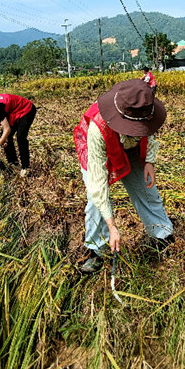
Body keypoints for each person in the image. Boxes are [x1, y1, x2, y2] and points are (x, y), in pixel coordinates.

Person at [74, 79, 174, 273]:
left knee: (146, 187)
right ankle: (96, 251)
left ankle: (162, 236)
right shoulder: (98, 127)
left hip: (129, 146)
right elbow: (98, 183)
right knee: (96, 202)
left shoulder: (144, 108)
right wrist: (112, 226)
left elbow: (150, 132)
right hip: (98, 146)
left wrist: (149, 162)